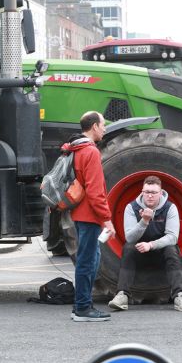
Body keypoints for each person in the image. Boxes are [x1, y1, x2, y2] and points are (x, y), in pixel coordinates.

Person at [107, 175, 182, 312]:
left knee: (171, 249)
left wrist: (151, 245)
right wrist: (144, 221)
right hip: (139, 251)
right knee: (128, 247)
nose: (150, 196)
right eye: (147, 192)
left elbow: (172, 237)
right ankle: (122, 295)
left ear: (160, 193)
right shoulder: (131, 208)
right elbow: (130, 237)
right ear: (142, 192)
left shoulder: (170, 208)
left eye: (153, 193)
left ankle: (179, 296)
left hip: (160, 251)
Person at [65, 111, 115, 322]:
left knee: (90, 259)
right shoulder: (91, 152)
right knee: (88, 261)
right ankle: (83, 308)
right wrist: (107, 220)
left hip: (79, 212)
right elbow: (95, 192)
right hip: (90, 215)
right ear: (94, 126)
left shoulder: (74, 148)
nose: (104, 128)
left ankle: (83, 305)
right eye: (103, 125)